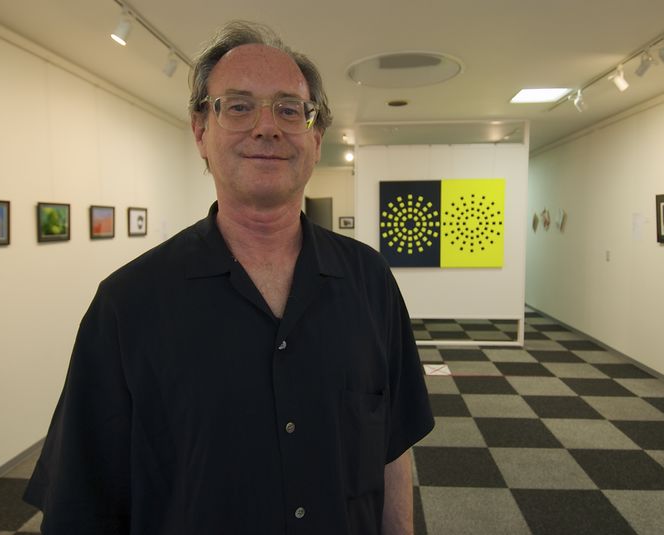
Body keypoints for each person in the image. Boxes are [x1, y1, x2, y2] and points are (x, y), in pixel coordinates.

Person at [23, 20, 434, 535]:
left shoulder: (369, 280)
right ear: (201, 132)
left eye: (290, 109)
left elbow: (392, 446)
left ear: (316, 138)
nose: (267, 127)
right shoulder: (127, 304)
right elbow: (82, 503)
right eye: (238, 107)